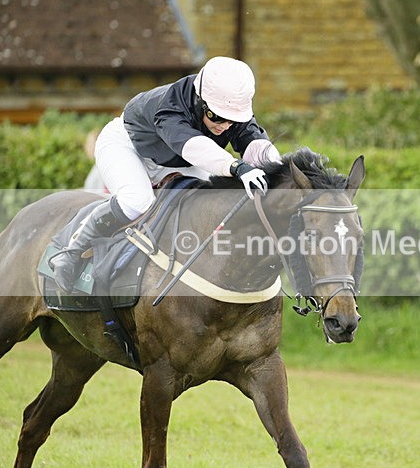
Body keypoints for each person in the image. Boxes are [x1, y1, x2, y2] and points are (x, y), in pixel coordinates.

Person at [50, 56, 281, 292]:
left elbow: (255, 143)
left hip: (175, 159)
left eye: (232, 121)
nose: (224, 126)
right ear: (200, 101)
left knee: (205, 204)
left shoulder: (228, 109)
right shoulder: (170, 105)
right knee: (137, 201)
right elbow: (190, 145)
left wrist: (281, 172)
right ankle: (71, 251)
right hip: (128, 147)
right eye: (216, 117)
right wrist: (236, 166)